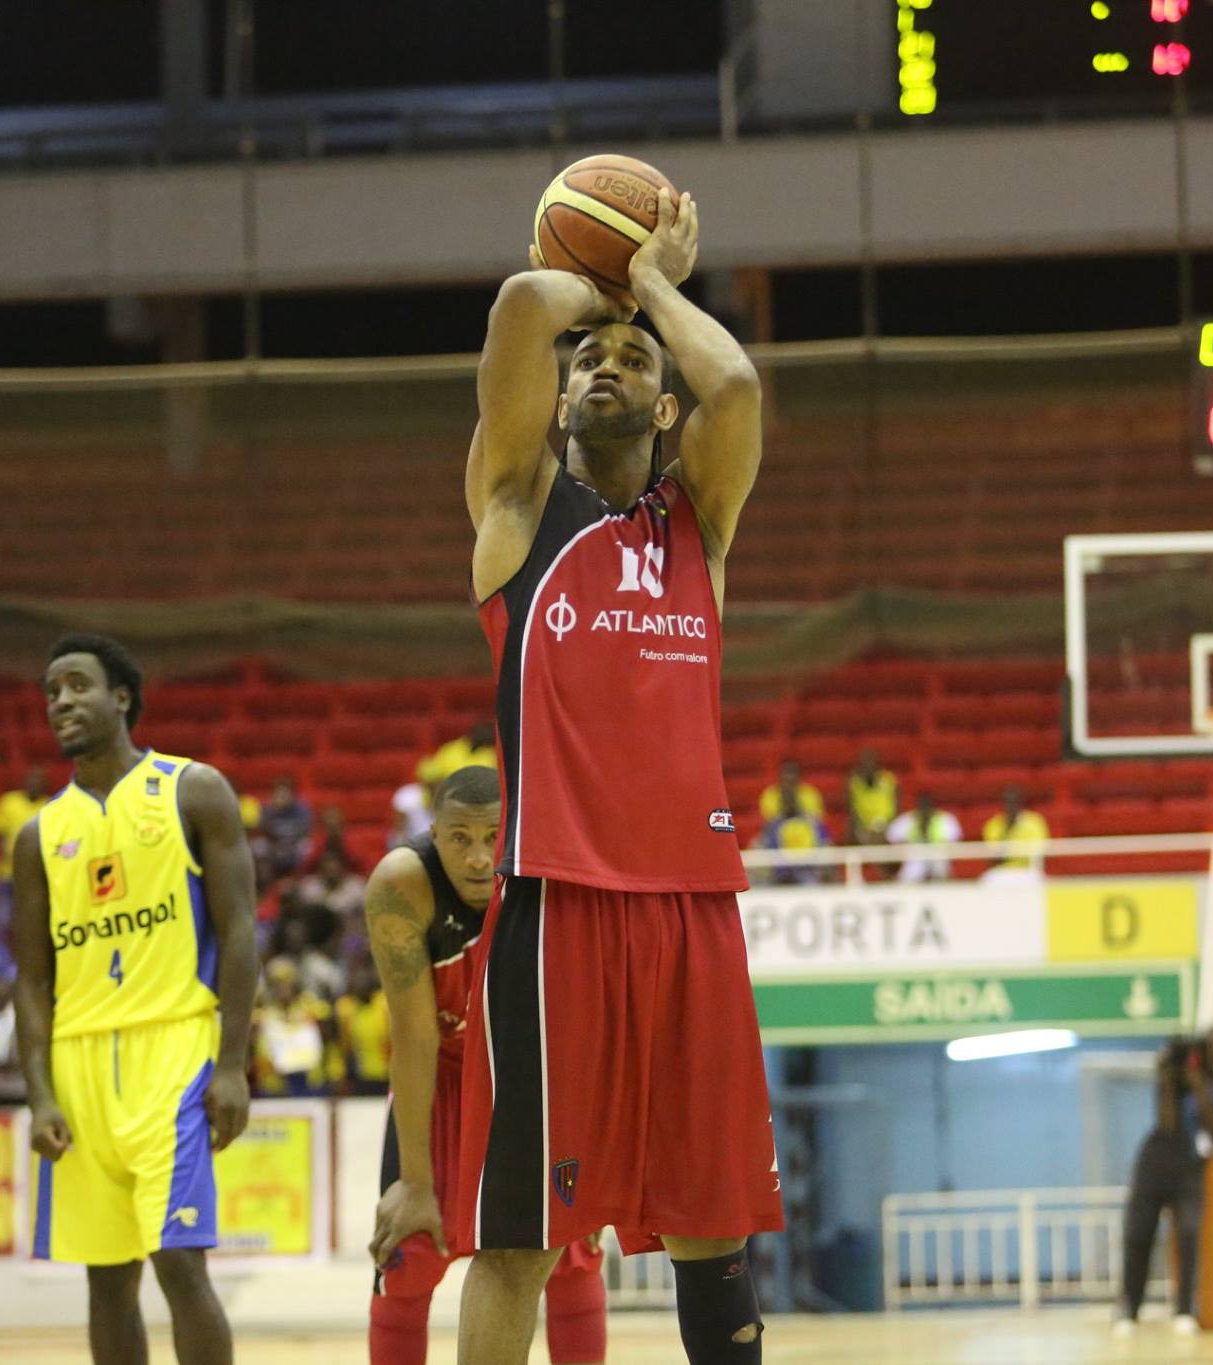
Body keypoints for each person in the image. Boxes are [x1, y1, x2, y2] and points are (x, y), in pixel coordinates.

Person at [459, 186, 781, 1364]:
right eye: (582, 356)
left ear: (661, 400)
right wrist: (609, 283)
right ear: (552, 401)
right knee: (517, 1243)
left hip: (694, 903)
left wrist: (650, 290)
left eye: (632, 359)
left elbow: (736, 388)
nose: (602, 363)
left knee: (714, 1226)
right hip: (557, 900)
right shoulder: (515, 505)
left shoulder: (698, 517)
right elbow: (514, 305)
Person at [13, 634, 256, 1365]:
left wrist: (234, 1062)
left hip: (172, 1049)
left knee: (179, 1263)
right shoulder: (38, 834)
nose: (62, 702)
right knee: (106, 1277)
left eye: (78, 685)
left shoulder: (193, 789)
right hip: (79, 1062)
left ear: (121, 696)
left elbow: (242, 930)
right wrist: (39, 1094)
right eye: (52, 691)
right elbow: (31, 980)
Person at [365, 767, 606, 1365]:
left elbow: (583, 1022)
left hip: (527, 1080)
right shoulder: (402, 884)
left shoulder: (550, 874)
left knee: (572, 1254)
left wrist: (592, 1144)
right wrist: (415, 1180)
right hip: (441, 1079)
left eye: (492, 837)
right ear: (433, 832)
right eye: (459, 838)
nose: (477, 859)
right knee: (408, 1254)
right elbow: (413, 1035)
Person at [1113, 1028, 1213, 1338]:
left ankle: (1184, 1309)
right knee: (1138, 1235)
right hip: (1155, 1161)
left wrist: (1198, 1085)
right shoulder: (1174, 1080)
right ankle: (1130, 1308)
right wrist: (1171, 1077)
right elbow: (1166, 1121)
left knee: (1188, 1236)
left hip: (1189, 1167)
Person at [251, 957, 336, 1098]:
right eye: (277, 983)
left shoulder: (309, 1005)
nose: (283, 988)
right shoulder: (263, 1012)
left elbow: (328, 1028)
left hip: (309, 1080)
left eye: (287, 982)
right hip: (273, 1084)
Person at [0, 767, 51, 942]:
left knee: (33, 919)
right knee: (3, 919)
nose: (34, 784)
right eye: (31, 780)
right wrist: (6, 852)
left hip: (35, 875)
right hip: (8, 872)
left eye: (39, 781)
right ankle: (2, 959)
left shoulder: (49, 806)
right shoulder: (10, 801)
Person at [334, 954, 391, 1098]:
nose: (361, 978)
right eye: (356, 973)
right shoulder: (345, 1008)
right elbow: (344, 1046)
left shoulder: (384, 1003)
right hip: (359, 1078)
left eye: (365, 972)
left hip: (388, 1076)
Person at [756, 790, 833, 886]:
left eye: (792, 799)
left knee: (811, 886)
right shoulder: (772, 826)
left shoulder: (813, 824)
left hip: (807, 872)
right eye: (786, 801)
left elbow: (826, 845)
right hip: (778, 876)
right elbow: (760, 848)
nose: (789, 804)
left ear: (798, 801)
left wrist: (823, 870)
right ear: (781, 803)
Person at [887, 791, 963, 883]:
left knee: (939, 864)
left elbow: (954, 841)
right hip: (914, 856)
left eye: (927, 806)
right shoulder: (908, 820)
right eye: (922, 806)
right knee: (914, 866)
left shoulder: (945, 819)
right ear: (917, 807)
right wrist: (905, 848)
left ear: (932, 807)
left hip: (938, 854)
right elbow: (891, 836)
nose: (925, 809)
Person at [256, 776, 316, 881]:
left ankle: (298, 880)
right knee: (258, 846)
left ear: (293, 795)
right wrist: (274, 811)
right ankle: (265, 882)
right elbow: (262, 831)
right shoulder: (268, 809)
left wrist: (290, 845)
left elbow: (306, 832)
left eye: (286, 793)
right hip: (274, 844)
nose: (282, 796)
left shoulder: (303, 809)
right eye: (279, 793)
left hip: (294, 843)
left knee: (307, 847)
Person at [416, 720, 497, 791]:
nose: (481, 736)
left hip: (470, 797)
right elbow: (429, 771)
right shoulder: (453, 747)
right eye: (479, 732)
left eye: (485, 733)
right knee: (407, 795)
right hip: (440, 789)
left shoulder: (492, 756)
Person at [982, 787, 1050, 870]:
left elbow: (1039, 852)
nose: (1011, 807)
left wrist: (1010, 852)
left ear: (1020, 804)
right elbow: (995, 857)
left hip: (1027, 869)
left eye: (1014, 803)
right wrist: (1008, 828)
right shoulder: (993, 824)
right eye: (1008, 803)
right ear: (1002, 804)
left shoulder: (1034, 822)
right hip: (1002, 870)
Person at [844, 749, 900, 846]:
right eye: (864, 766)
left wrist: (885, 828)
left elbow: (897, 810)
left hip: (886, 827)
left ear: (877, 767)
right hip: (863, 830)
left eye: (871, 766)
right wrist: (864, 831)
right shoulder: (855, 784)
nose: (868, 769)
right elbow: (852, 813)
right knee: (851, 835)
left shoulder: (889, 781)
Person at [757, 759, 824, 826]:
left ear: (800, 776)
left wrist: (797, 806)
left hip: (805, 831)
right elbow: (769, 820)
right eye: (786, 773)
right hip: (776, 831)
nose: (790, 777)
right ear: (780, 775)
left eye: (793, 773)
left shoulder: (810, 793)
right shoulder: (770, 794)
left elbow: (815, 819)